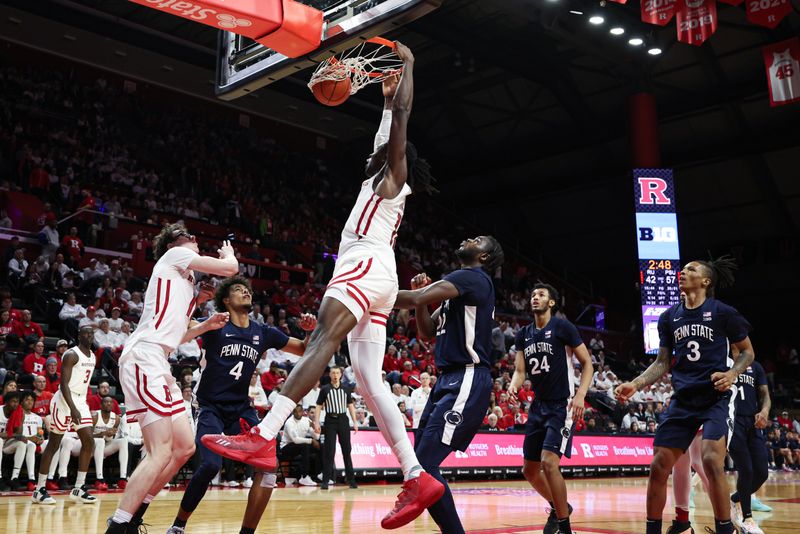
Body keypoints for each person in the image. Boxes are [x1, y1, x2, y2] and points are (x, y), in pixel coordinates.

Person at [201, 42, 445, 529]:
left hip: (363, 264)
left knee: (321, 340)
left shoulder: (393, 174)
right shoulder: (378, 181)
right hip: (381, 275)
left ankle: (265, 433)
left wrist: (408, 74)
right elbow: (386, 129)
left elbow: (400, 123)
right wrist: (383, 97)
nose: (377, 151)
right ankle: (417, 474)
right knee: (372, 382)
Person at [105, 224, 238, 534]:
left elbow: (175, 337)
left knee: (183, 447)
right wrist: (229, 254)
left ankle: (137, 513)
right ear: (173, 244)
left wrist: (204, 324)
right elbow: (230, 269)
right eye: (186, 235)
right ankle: (119, 526)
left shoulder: (184, 281)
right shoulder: (173, 256)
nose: (193, 238)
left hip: (159, 360)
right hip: (144, 356)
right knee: (160, 449)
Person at [615, 256, 755, 534]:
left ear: (706, 281)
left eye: (691, 269)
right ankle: (654, 529)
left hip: (715, 397)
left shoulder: (723, 312)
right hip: (683, 400)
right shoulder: (669, 317)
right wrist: (637, 383)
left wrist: (731, 374)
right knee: (658, 465)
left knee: (711, 460)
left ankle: (725, 528)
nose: (683, 272)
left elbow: (748, 352)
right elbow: (663, 362)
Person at [167, 276, 315, 534]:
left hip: (241, 409)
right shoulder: (215, 323)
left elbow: (304, 349)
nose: (245, 292)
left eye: (247, 289)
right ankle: (179, 524)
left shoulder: (262, 331)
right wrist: (196, 302)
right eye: (238, 289)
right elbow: (179, 329)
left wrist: (309, 331)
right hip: (210, 406)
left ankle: (247, 532)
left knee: (268, 467)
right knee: (211, 465)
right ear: (225, 300)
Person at [391, 235, 504, 534]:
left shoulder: (472, 278)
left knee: (423, 465)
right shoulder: (462, 295)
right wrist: (421, 298)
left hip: (467, 375)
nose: (468, 239)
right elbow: (427, 331)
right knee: (422, 465)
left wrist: (369, 295)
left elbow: (417, 298)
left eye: (477, 240)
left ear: (484, 257)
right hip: (448, 379)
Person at [508, 284, 594, 534]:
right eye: (533, 295)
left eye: (541, 295)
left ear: (552, 302)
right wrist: (514, 386)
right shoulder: (523, 333)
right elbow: (520, 371)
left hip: (562, 405)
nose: (535, 298)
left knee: (549, 462)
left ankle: (566, 528)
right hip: (538, 406)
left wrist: (580, 395)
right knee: (529, 470)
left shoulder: (562, 327)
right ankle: (559, 508)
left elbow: (587, 363)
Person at [31, 326, 99, 504]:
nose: (89, 335)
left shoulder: (93, 356)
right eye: (86, 333)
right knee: (54, 443)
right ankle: (39, 490)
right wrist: (72, 408)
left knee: (89, 441)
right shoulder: (71, 354)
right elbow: (63, 385)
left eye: (91, 333)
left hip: (80, 400)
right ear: (78, 336)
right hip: (64, 400)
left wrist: (79, 406)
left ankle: (78, 488)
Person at [728, 357, 771, 534]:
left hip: (753, 423)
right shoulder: (725, 362)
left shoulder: (756, 366)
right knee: (746, 470)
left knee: (761, 472)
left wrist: (765, 410)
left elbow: (765, 395)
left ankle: (735, 498)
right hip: (733, 420)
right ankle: (747, 518)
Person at [312, 366, 359, 489]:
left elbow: (351, 406)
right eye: (333, 373)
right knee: (329, 451)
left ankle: (351, 480)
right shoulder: (325, 389)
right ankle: (326, 481)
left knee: (346, 450)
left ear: (341, 375)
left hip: (343, 420)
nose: (335, 375)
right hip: (330, 421)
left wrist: (355, 422)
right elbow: (318, 406)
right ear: (330, 375)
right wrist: (316, 422)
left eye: (337, 373)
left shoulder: (346, 389)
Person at [92, 396, 129, 490]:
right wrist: (102, 434)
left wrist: (110, 435)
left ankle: (122, 478)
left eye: (111, 402)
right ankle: (99, 479)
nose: (109, 404)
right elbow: (86, 436)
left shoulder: (116, 418)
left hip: (104, 447)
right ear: (101, 405)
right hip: (91, 447)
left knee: (123, 441)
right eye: (106, 402)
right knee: (100, 441)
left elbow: (110, 438)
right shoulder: (95, 416)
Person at [280, 404, 321, 486]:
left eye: (299, 411)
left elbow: (316, 437)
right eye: (295, 411)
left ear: (303, 412)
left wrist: (315, 429)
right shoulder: (289, 422)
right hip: (286, 447)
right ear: (292, 412)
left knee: (321, 446)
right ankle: (304, 476)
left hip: (299, 446)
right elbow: (295, 440)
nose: (298, 413)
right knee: (305, 445)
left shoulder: (306, 420)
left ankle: (320, 474)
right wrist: (311, 441)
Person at [0, 392, 21, 490]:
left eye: (17, 402)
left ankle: (14, 477)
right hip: (1, 441)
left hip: (6, 443)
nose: (15, 404)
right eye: (13, 401)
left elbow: (19, 434)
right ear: (7, 402)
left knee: (22, 443)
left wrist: (20, 417)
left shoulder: (17, 412)